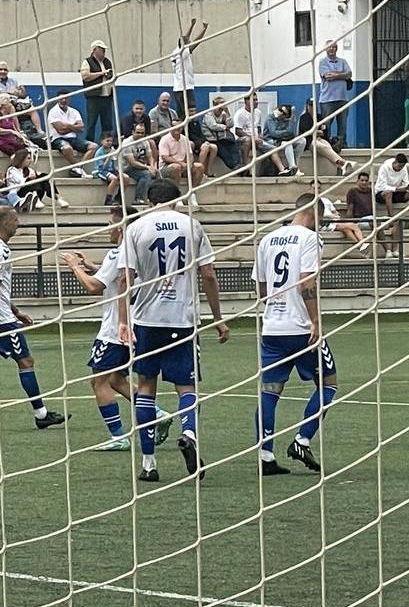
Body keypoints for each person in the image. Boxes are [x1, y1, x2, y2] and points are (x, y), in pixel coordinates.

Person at [117, 178, 229, 482]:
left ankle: (149, 463)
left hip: (147, 319)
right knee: (186, 387)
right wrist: (218, 317)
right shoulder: (191, 225)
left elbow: (125, 279)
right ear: (177, 199)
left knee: (146, 388)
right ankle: (189, 432)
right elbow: (207, 274)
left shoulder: (137, 226)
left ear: (148, 200)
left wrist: (123, 321)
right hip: (183, 320)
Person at [58, 206, 172, 450]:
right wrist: (91, 265)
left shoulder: (117, 254)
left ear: (121, 227)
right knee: (116, 379)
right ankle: (158, 413)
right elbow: (114, 278)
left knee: (98, 382)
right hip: (138, 326)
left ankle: (118, 436)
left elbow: (93, 287)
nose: (108, 228)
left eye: (111, 223)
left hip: (114, 330)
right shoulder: (141, 252)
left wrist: (74, 266)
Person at [0, 206, 69, 432]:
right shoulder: (2, 250)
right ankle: (41, 414)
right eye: (15, 219)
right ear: (5, 223)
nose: (18, 223)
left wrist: (15, 311)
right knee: (25, 361)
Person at [253, 192, 338, 475]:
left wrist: (276, 306)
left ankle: (265, 455)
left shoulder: (267, 239)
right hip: (300, 327)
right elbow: (306, 282)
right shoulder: (309, 239)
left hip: (272, 327)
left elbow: (261, 289)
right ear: (314, 213)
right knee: (328, 383)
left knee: (270, 390)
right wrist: (315, 320)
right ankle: (302, 439)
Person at [309, 179, 367, 257]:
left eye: (319, 188)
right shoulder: (309, 201)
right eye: (314, 188)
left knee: (346, 230)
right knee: (354, 225)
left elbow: (335, 212)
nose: (317, 190)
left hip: (333, 221)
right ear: (310, 189)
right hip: (322, 223)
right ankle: (363, 243)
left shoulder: (326, 200)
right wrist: (329, 216)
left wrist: (335, 216)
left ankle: (360, 247)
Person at [47, 90, 97, 177]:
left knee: (93, 146)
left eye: (66, 98)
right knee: (67, 148)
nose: (63, 100)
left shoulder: (74, 111)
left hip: (73, 139)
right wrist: (74, 127)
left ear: (69, 99)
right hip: (57, 139)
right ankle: (77, 168)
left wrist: (67, 125)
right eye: (61, 98)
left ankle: (78, 168)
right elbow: (60, 131)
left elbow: (81, 127)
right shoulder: (53, 111)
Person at [298, 99, 354, 176]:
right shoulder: (304, 117)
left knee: (327, 146)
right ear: (307, 106)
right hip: (309, 141)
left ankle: (341, 167)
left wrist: (315, 132)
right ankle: (343, 163)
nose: (312, 107)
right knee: (320, 146)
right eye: (310, 105)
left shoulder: (319, 117)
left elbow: (324, 131)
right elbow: (305, 132)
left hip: (320, 139)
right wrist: (316, 132)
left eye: (313, 105)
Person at [345, 171, 393, 258]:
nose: (364, 182)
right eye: (362, 180)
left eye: (366, 181)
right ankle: (388, 250)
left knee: (396, 220)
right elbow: (350, 208)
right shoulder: (352, 192)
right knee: (375, 221)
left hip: (372, 217)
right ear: (357, 181)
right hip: (360, 220)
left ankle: (396, 250)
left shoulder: (371, 191)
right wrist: (350, 222)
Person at [373, 154, 409, 233]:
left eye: (403, 166)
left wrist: (408, 188)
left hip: (397, 192)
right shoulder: (384, 167)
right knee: (388, 193)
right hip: (382, 193)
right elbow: (382, 186)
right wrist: (396, 189)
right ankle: (392, 220)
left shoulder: (404, 168)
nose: (401, 168)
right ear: (395, 162)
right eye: (399, 166)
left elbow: (405, 182)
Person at [156, 124, 204, 206]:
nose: (177, 129)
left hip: (183, 165)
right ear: (170, 128)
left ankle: (192, 193)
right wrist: (180, 163)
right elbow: (165, 157)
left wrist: (189, 164)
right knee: (176, 167)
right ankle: (177, 195)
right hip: (166, 167)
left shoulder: (185, 139)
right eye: (175, 126)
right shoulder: (164, 139)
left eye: (179, 127)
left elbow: (190, 155)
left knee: (199, 167)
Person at [317, 40, 353, 147]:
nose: (332, 49)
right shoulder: (322, 62)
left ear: (337, 49)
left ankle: (342, 145)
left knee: (342, 125)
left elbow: (349, 74)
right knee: (326, 125)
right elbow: (327, 76)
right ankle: (326, 145)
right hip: (327, 100)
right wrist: (343, 75)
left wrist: (335, 75)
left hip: (343, 98)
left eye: (334, 47)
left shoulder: (343, 61)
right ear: (325, 49)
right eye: (329, 47)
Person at [80, 40, 116, 143]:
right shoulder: (87, 62)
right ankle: (89, 143)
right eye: (101, 49)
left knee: (108, 123)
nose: (104, 51)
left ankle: (107, 143)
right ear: (94, 50)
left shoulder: (107, 61)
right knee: (91, 122)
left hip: (107, 96)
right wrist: (102, 73)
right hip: (94, 98)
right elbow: (85, 76)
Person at [170, 19, 209, 114]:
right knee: (191, 112)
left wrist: (192, 25)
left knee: (181, 113)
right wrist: (204, 29)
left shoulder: (175, 52)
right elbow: (196, 42)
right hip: (185, 87)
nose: (190, 42)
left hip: (177, 88)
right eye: (188, 42)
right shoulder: (183, 52)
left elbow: (184, 38)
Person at [262, 104, 304, 176]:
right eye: (280, 110)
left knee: (302, 141)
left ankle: (295, 166)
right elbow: (274, 133)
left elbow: (291, 132)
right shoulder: (270, 117)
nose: (281, 113)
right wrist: (285, 132)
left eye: (284, 113)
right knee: (287, 143)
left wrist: (291, 119)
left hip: (283, 140)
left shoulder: (286, 120)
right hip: (271, 140)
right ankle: (292, 166)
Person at [119, 122, 156, 204]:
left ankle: (156, 198)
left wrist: (152, 166)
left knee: (158, 174)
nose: (140, 135)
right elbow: (132, 163)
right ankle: (139, 198)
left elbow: (150, 156)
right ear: (133, 132)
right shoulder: (127, 143)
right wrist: (148, 168)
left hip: (140, 166)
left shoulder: (145, 141)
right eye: (138, 132)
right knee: (146, 174)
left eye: (142, 133)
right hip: (126, 167)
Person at [200, 97, 239, 171]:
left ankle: (238, 165)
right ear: (215, 105)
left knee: (233, 146)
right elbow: (213, 126)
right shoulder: (208, 115)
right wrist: (225, 127)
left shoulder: (224, 114)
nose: (223, 106)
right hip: (211, 139)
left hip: (222, 138)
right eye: (221, 104)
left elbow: (231, 124)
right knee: (223, 151)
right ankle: (234, 167)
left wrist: (227, 112)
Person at [93, 132, 131, 207]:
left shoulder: (111, 150)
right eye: (107, 141)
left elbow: (113, 163)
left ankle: (119, 197)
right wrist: (109, 156)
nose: (109, 143)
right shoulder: (99, 152)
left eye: (111, 141)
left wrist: (117, 170)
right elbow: (103, 167)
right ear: (102, 141)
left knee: (126, 178)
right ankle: (108, 199)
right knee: (114, 179)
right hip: (101, 171)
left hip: (111, 170)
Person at [233, 93, 266, 175]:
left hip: (256, 139)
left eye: (256, 99)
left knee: (271, 146)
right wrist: (252, 138)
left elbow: (258, 126)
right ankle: (245, 168)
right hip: (242, 139)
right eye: (254, 100)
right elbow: (238, 131)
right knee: (247, 140)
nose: (256, 102)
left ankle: (268, 170)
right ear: (246, 101)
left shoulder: (258, 112)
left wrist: (260, 134)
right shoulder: (240, 114)